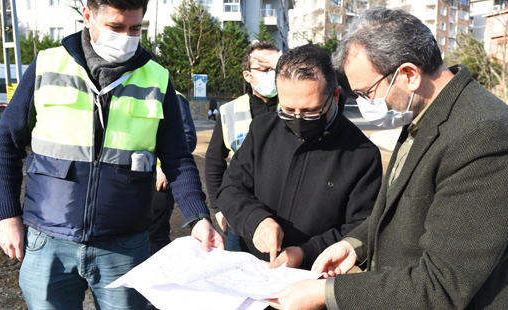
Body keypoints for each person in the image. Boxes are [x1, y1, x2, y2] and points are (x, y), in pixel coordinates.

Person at [266, 8, 508, 310]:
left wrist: (327, 292)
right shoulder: (425, 112)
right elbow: (403, 210)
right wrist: (355, 245)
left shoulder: (486, 136)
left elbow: (441, 285)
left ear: (408, 75)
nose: (366, 104)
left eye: (367, 92)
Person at [0, 1, 223, 309]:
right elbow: (7, 142)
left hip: (125, 245)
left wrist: (197, 217)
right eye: (115, 27)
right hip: (49, 240)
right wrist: (7, 215)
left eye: (135, 28)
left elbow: (178, 158)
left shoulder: (157, 78)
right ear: (88, 16)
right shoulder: (48, 65)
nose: (126, 36)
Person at [215, 44, 382, 270]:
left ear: (335, 95)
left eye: (310, 111)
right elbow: (231, 188)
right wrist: (255, 220)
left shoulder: (362, 154)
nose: (297, 119)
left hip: (309, 278)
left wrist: (306, 252)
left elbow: (362, 226)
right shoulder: (262, 129)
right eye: (287, 109)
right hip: (250, 268)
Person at [205, 41, 281, 251]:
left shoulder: (296, 106)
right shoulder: (229, 110)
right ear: (247, 76)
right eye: (264, 69)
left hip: (287, 213)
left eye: (275, 67)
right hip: (241, 213)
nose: (271, 74)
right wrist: (219, 207)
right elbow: (214, 161)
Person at [149, 91, 197, 254]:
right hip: (136, 176)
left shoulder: (173, 96)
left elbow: (187, 137)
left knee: (156, 233)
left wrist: (164, 168)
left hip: (160, 180)